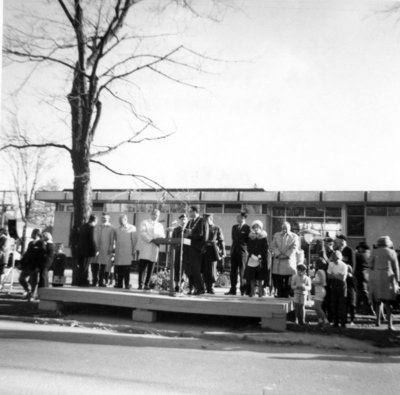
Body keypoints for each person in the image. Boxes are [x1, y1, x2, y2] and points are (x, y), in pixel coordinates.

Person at [369, 236, 400, 331]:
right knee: (388, 302)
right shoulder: (392, 252)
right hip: (388, 277)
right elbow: (396, 268)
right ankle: (390, 324)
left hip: (377, 277)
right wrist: (398, 280)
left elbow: (370, 264)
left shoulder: (374, 252)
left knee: (378, 301)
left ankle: (377, 321)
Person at [137, 209, 164, 290]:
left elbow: (162, 235)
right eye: (154, 214)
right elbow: (142, 233)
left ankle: (147, 284)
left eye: (157, 215)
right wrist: (152, 240)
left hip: (155, 248)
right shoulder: (144, 222)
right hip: (146, 247)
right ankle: (140, 284)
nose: (155, 216)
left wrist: (161, 239)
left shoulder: (160, 225)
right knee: (142, 268)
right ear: (151, 214)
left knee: (151, 268)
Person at [272, 221, 300, 298]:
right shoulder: (276, 235)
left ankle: (287, 296)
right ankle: (280, 295)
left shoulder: (294, 236)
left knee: (289, 283)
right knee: (279, 283)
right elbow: (273, 246)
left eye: (286, 228)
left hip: (289, 264)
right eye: (283, 227)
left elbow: (294, 248)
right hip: (278, 263)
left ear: (289, 228)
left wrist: (286, 255)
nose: (284, 229)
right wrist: (278, 254)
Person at [226, 212, 250, 296]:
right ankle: (232, 289)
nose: (237, 218)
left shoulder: (247, 228)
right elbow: (233, 238)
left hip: (243, 253)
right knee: (233, 271)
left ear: (243, 218)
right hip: (234, 252)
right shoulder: (234, 227)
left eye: (239, 217)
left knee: (242, 271)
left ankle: (243, 289)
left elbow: (248, 241)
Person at [201, 213, 226, 294]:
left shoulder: (216, 228)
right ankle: (205, 286)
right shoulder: (202, 228)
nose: (205, 220)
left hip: (213, 250)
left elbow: (221, 240)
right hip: (204, 250)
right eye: (204, 219)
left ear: (211, 219)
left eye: (206, 219)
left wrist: (223, 251)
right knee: (204, 269)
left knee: (212, 269)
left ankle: (211, 287)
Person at [184, 206, 205, 295]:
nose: (189, 213)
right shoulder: (190, 221)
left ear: (196, 211)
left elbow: (201, 234)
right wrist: (185, 233)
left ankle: (200, 288)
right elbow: (186, 232)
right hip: (189, 248)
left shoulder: (201, 220)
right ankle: (191, 288)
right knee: (190, 270)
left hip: (197, 249)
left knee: (196, 270)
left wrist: (190, 234)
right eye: (189, 211)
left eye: (191, 211)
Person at [19, 229, 45, 301]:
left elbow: (41, 256)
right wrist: (21, 262)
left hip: (34, 266)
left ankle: (32, 295)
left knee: (33, 281)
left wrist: (38, 266)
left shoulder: (41, 243)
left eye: (32, 233)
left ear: (36, 234)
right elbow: (27, 254)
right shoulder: (30, 243)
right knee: (21, 279)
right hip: (27, 265)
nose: (31, 235)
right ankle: (28, 291)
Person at [245, 220, 269, 297]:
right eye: (254, 227)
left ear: (261, 228)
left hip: (261, 260)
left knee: (260, 278)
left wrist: (260, 256)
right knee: (252, 278)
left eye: (258, 227)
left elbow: (265, 248)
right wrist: (252, 255)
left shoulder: (264, 237)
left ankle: (261, 292)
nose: (256, 229)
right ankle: (252, 292)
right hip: (252, 259)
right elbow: (248, 247)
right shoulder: (250, 237)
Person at [91, 212, 115, 287]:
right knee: (94, 264)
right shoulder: (96, 227)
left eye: (105, 218)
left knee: (103, 265)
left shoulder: (111, 228)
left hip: (105, 248)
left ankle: (101, 281)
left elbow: (112, 240)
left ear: (108, 218)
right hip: (96, 248)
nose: (103, 219)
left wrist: (111, 248)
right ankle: (94, 280)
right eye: (102, 218)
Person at [114, 214, 137, 289]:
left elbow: (134, 241)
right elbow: (116, 240)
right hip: (119, 252)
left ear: (126, 219)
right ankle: (119, 283)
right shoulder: (117, 229)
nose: (120, 221)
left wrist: (134, 250)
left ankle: (127, 284)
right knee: (119, 268)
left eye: (122, 220)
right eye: (119, 220)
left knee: (126, 269)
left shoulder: (132, 228)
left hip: (127, 251)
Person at [327, 250, 348, 328]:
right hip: (334, 285)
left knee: (342, 305)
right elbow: (329, 276)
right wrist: (337, 275)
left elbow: (343, 278)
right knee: (334, 304)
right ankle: (336, 322)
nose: (336, 260)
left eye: (337, 258)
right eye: (335, 258)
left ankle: (343, 322)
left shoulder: (343, 265)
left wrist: (334, 275)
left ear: (340, 258)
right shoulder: (331, 264)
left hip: (342, 286)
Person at [76, 214, 98, 286]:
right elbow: (92, 240)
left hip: (80, 249)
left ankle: (80, 281)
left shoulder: (83, 227)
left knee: (82, 266)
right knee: (85, 267)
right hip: (87, 250)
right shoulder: (91, 228)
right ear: (95, 220)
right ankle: (83, 281)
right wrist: (95, 251)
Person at [354, 242, 375, 315]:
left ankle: (369, 309)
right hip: (367, 273)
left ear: (361, 248)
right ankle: (358, 307)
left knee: (362, 292)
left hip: (360, 274)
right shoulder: (369, 254)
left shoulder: (359, 255)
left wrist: (355, 253)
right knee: (361, 292)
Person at [172, 213, 189, 292]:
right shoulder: (176, 230)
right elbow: (173, 240)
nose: (183, 221)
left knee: (184, 269)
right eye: (182, 219)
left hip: (187, 253)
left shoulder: (189, 230)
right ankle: (176, 286)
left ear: (187, 220)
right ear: (180, 220)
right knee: (177, 268)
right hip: (178, 252)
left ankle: (181, 286)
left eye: (185, 219)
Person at [312, 259, 328, 327]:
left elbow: (322, 282)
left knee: (317, 307)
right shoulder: (322, 271)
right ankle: (320, 321)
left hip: (320, 291)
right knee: (316, 307)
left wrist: (313, 281)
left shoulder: (319, 271)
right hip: (319, 291)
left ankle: (326, 321)